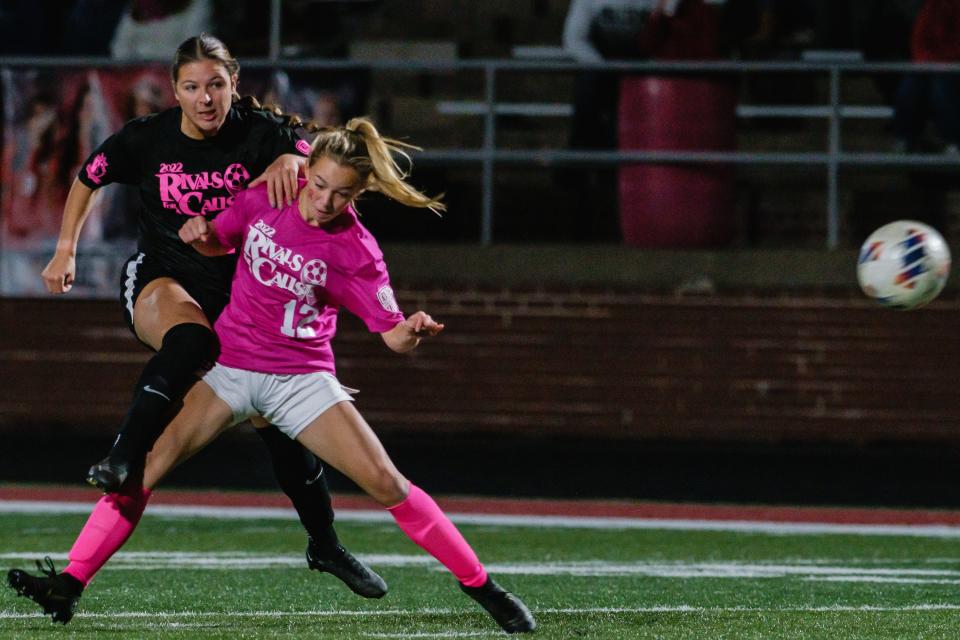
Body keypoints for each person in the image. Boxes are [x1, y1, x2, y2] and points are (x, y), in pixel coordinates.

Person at [9, 117, 538, 635]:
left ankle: (483, 586)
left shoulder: (357, 251)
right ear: (308, 170)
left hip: (299, 378)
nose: (325, 201)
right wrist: (200, 236)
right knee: (142, 470)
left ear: (359, 195)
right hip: (230, 365)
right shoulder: (270, 194)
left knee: (387, 483)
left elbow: (391, 334)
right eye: (322, 184)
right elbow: (222, 238)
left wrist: (412, 330)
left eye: (342, 195)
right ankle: (71, 582)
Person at [35, 34, 385, 600]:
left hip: (240, 301)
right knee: (189, 342)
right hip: (164, 276)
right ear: (174, 91)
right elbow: (89, 177)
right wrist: (65, 247)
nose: (205, 98)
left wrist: (292, 156)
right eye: (193, 87)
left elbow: (322, 153)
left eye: (216, 85)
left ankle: (325, 543)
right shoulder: (148, 138)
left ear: (234, 86)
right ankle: (121, 456)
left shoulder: (263, 130)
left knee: (281, 432)